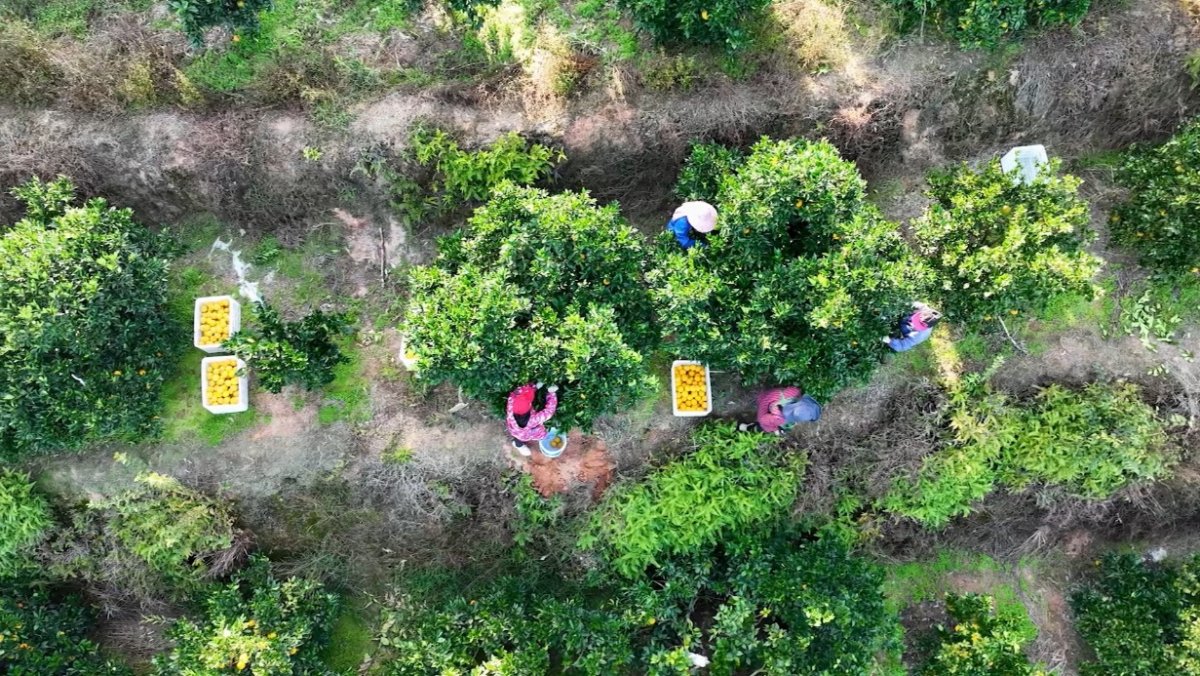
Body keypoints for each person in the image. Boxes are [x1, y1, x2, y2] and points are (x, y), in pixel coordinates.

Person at [738, 386, 822, 435]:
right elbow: (763, 419)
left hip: (769, 394)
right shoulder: (780, 419)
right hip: (763, 403)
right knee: (765, 427)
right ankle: (743, 427)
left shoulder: (795, 392)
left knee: (771, 422)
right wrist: (775, 430)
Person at [506, 382, 558, 456]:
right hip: (529, 433)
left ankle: (518, 444)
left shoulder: (512, 401)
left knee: (519, 437)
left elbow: (522, 392)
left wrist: (534, 387)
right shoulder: (534, 420)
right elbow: (549, 411)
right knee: (541, 435)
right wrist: (551, 393)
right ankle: (542, 438)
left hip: (514, 430)